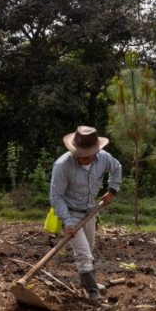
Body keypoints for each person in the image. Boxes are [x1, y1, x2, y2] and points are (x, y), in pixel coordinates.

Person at [50, 125, 122, 300]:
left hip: (90, 211)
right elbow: (56, 196)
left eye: (88, 153)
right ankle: (92, 292)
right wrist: (67, 222)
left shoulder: (104, 158)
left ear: (96, 150)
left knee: (89, 250)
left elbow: (117, 167)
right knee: (83, 253)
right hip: (70, 213)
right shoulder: (62, 165)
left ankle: (90, 282)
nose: (85, 157)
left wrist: (112, 190)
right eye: (81, 153)